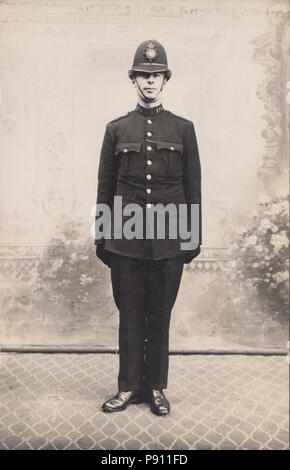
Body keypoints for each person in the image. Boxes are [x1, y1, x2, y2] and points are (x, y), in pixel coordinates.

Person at [95, 40, 202, 416]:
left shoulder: (183, 129)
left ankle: (155, 387)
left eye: (156, 75)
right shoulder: (116, 129)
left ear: (165, 79)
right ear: (134, 79)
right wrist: (102, 237)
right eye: (143, 75)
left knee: (160, 313)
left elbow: (193, 188)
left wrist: (191, 237)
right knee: (129, 313)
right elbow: (105, 188)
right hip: (125, 239)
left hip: (169, 240)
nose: (150, 81)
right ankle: (127, 387)